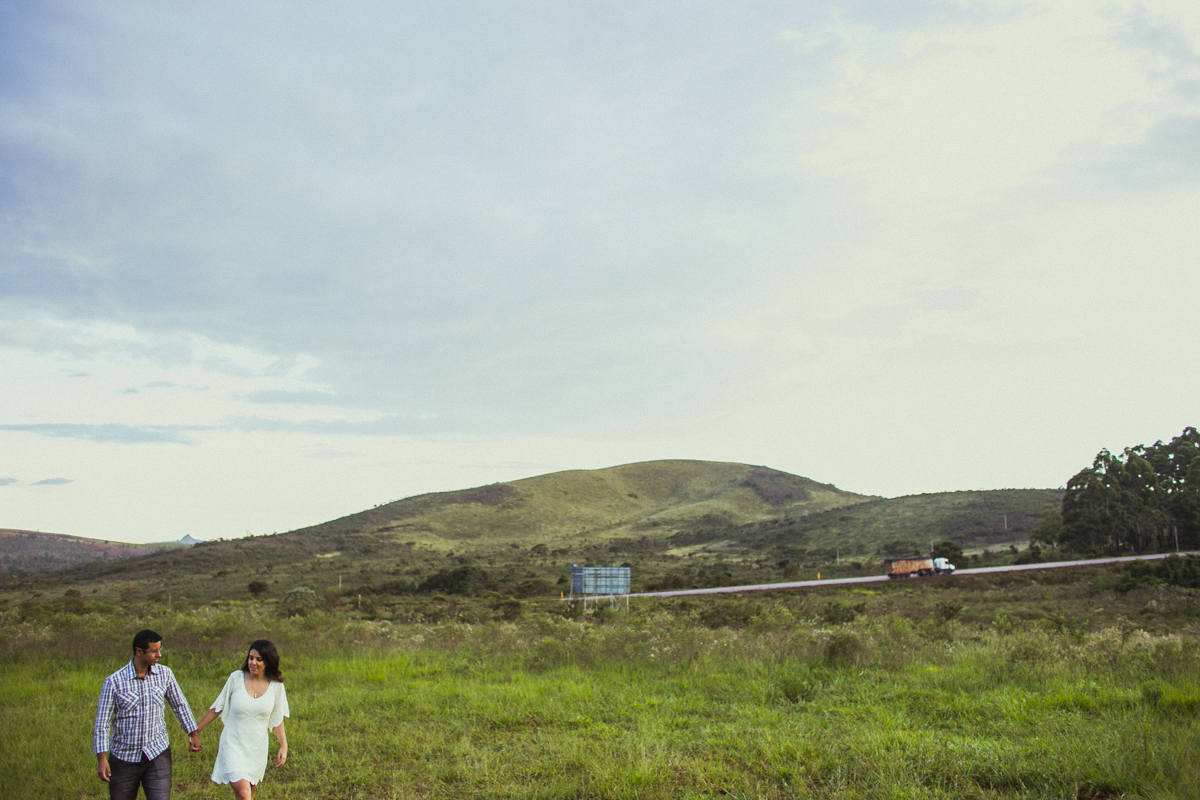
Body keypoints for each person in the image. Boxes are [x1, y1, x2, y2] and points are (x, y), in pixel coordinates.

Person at [93, 629, 202, 800]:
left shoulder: (165, 674)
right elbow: (102, 723)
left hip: (157, 754)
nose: (159, 655)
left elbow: (180, 705)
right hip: (124, 758)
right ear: (139, 652)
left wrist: (193, 732)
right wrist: (101, 759)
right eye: (154, 651)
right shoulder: (114, 682)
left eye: (160, 650)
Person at [193, 639, 290, 800]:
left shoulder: (276, 686)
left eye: (259, 659)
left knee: (248, 796)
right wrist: (195, 731)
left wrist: (283, 746)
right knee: (244, 794)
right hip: (233, 743)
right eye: (251, 658)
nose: (253, 662)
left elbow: (277, 718)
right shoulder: (236, 678)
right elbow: (218, 707)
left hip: (257, 748)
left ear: (268, 661)